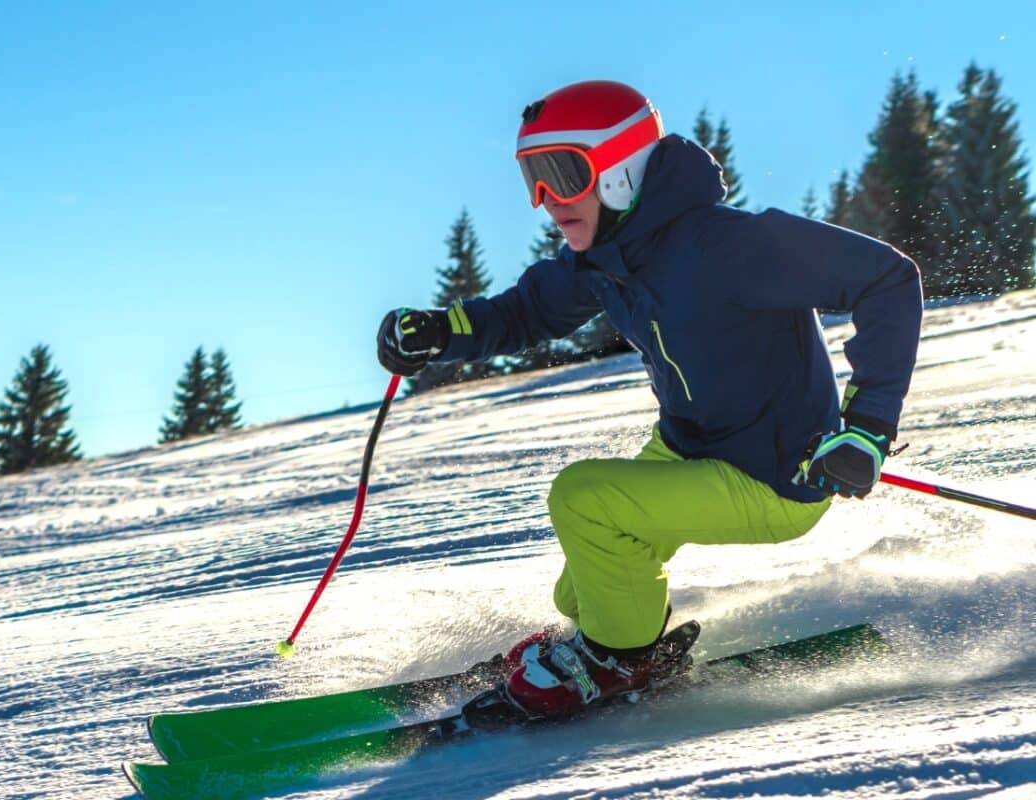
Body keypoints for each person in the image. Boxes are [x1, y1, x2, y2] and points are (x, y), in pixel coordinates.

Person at [375, 80, 923, 719]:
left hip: (776, 474)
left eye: (561, 174)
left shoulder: (727, 245)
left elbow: (886, 278)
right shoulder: (606, 259)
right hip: (692, 450)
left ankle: (619, 659)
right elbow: (528, 310)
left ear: (621, 169)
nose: (545, 201)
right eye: (533, 178)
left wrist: (866, 427)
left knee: (586, 502)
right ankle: (620, 639)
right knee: (580, 594)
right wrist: (443, 331)